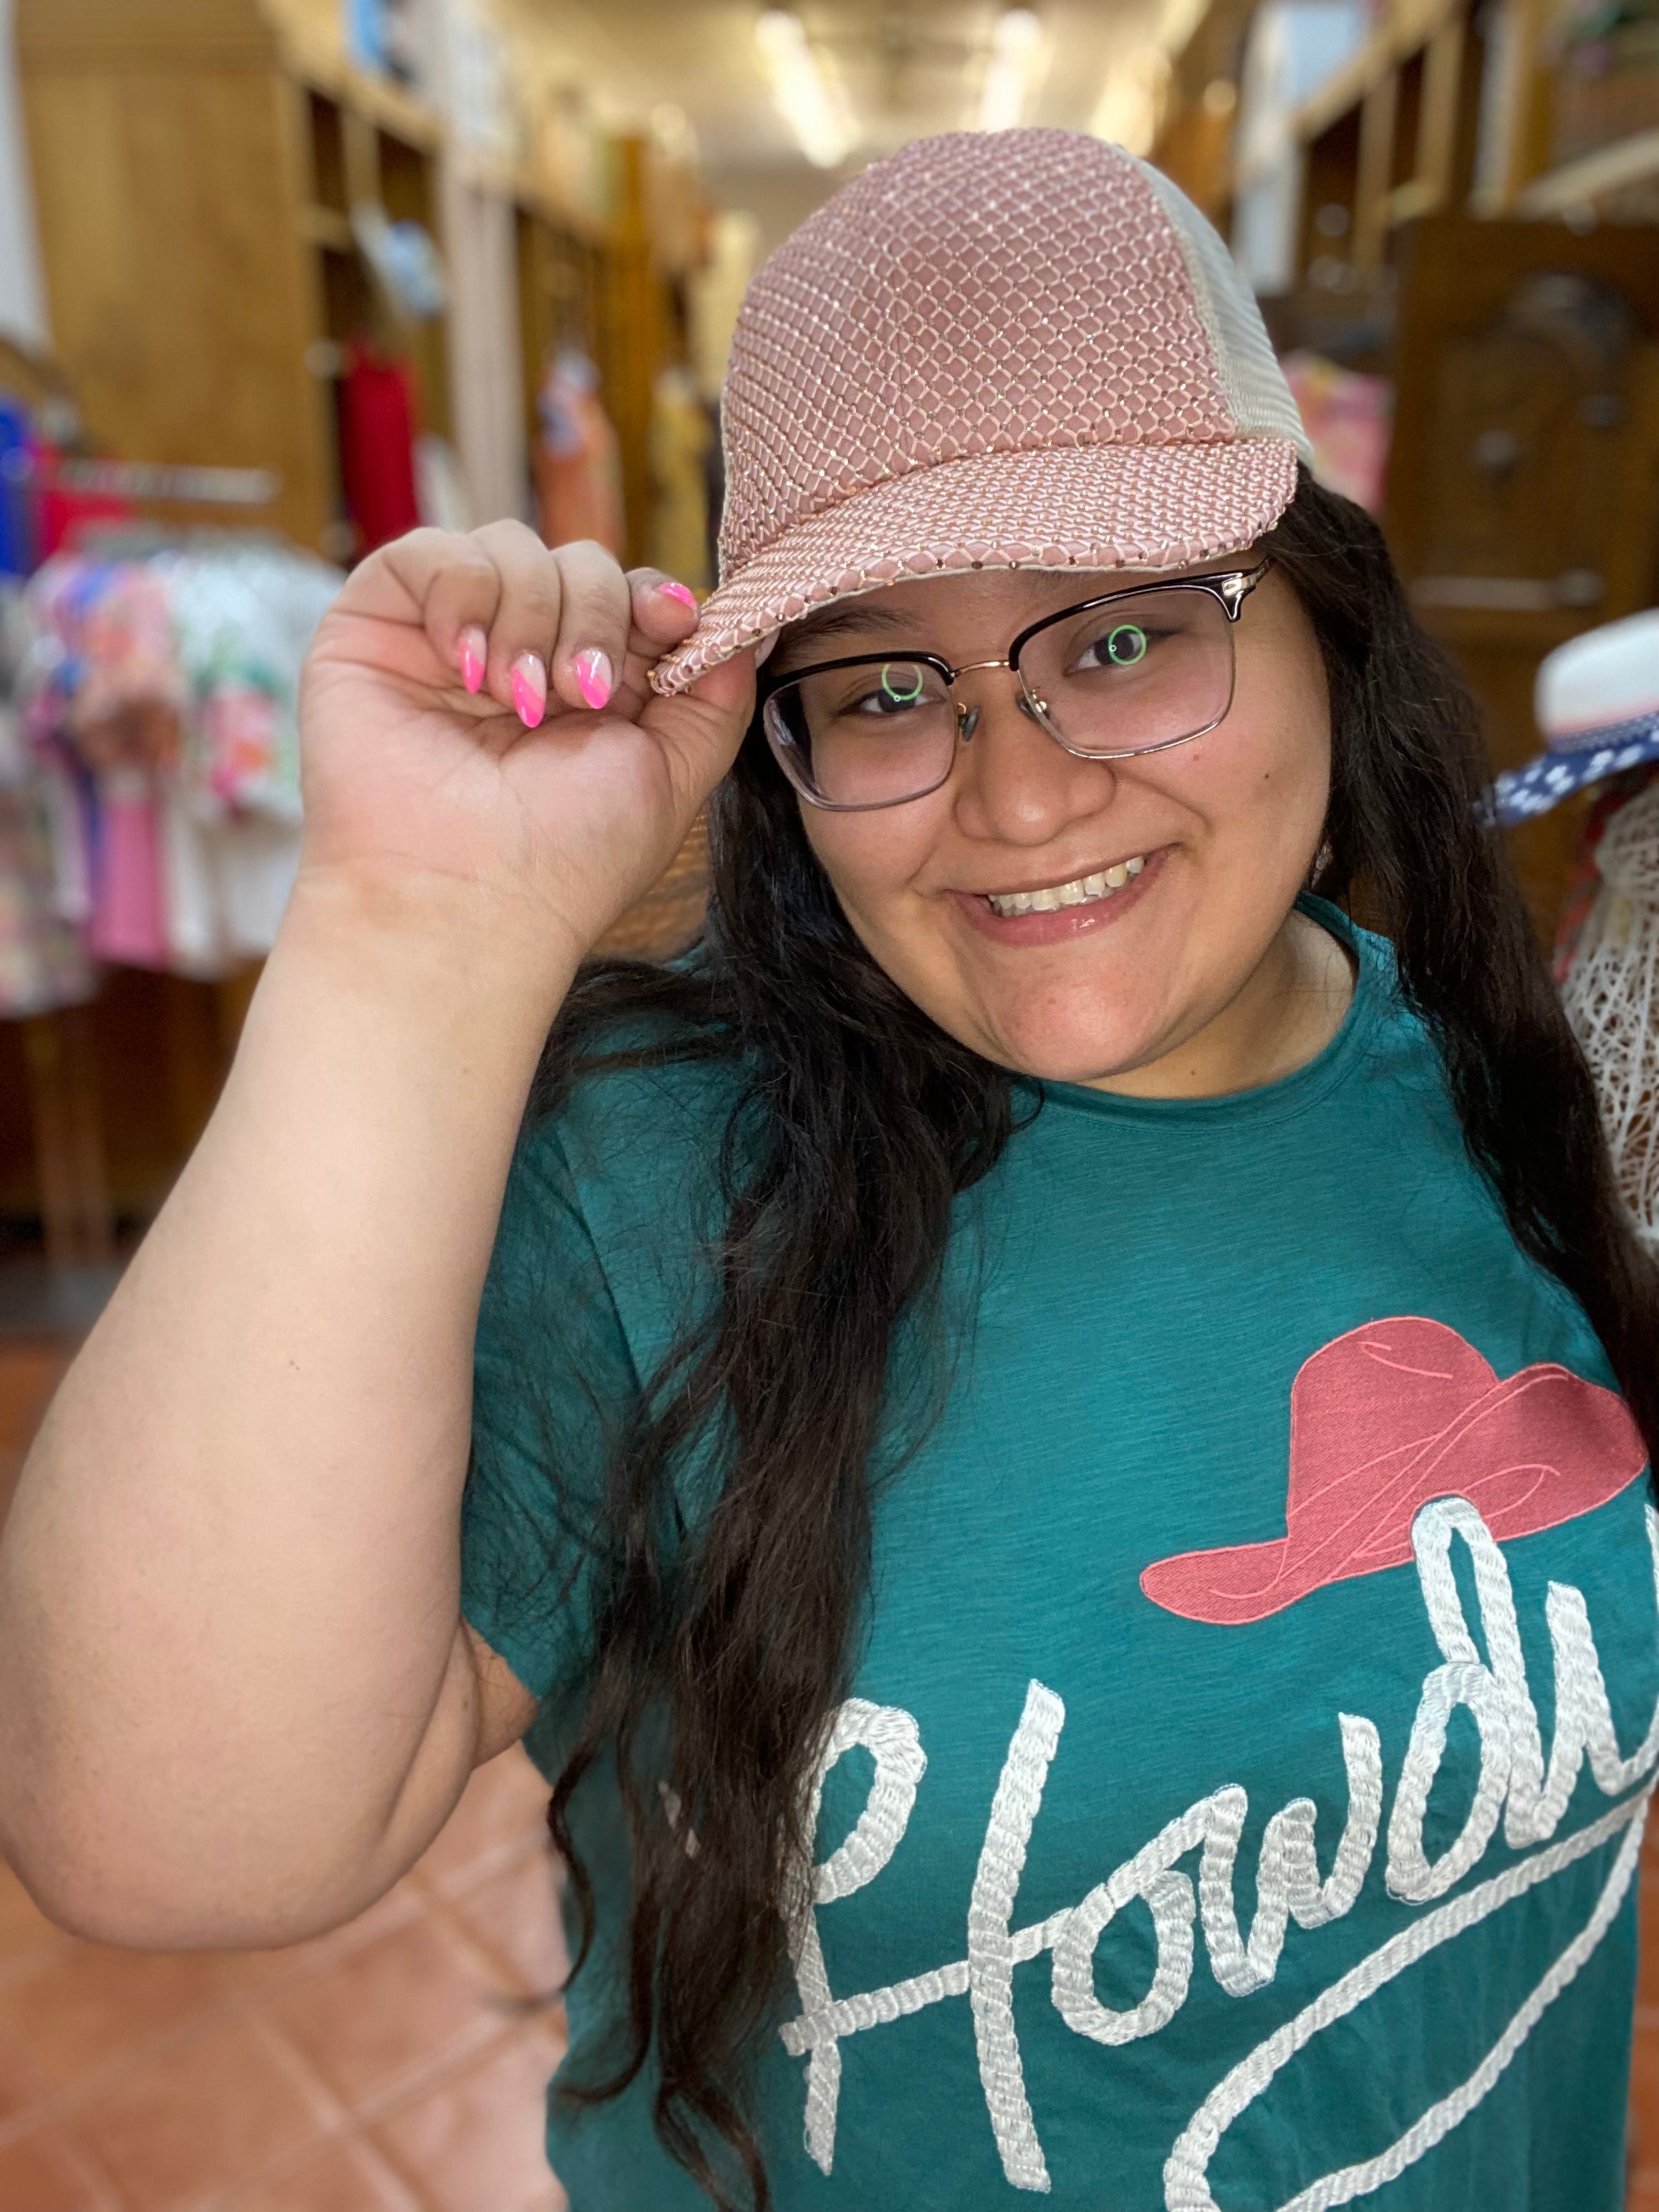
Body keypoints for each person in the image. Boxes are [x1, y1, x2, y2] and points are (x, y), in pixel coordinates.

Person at [1, 129, 1657, 2212]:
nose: (1021, 795)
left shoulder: (1536, 1094)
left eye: (1123, 640)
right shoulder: (658, 1187)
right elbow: (163, 1841)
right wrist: (412, 927)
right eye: (884, 689)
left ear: (1331, 624)